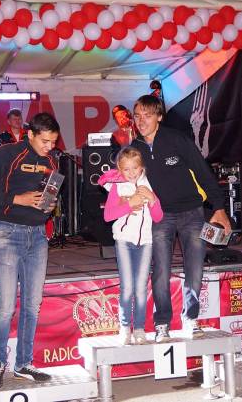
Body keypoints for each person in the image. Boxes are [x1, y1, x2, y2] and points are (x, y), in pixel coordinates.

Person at [131, 94, 231, 342]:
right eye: (137, 116)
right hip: (160, 215)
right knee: (161, 270)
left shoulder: (177, 139)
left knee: (194, 268)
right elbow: (121, 180)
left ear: (159, 117)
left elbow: (203, 172)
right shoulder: (135, 149)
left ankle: (191, 318)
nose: (141, 121)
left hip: (192, 213)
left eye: (147, 115)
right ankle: (162, 323)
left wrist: (219, 208)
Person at [0, 112, 60, 389]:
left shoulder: (51, 161)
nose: (50, 147)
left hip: (38, 235)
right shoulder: (6, 154)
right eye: (45, 141)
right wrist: (16, 199)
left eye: (54, 142)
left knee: (32, 304)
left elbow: (48, 196)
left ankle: (24, 364)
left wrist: (49, 205)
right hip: (7, 233)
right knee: (6, 306)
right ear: (30, 134)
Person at [99, 147, 163, 345]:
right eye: (126, 169)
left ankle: (140, 328)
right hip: (124, 241)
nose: (131, 173)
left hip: (146, 242)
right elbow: (108, 216)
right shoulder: (117, 187)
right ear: (120, 169)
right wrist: (129, 204)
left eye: (135, 168)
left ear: (141, 167)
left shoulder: (148, 184)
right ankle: (125, 327)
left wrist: (152, 199)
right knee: (127, 287)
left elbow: (158, 217)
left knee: (141, 288)